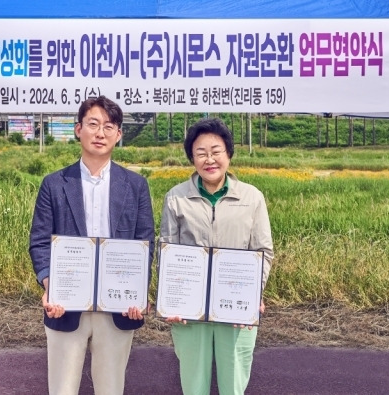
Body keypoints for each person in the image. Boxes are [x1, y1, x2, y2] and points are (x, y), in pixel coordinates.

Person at [29, 96, 155, 395]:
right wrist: (50, 284)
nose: (100, 133)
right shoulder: (54, 183)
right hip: (65, 304)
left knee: (111, 388)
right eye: (93, 124)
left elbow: (144, 243)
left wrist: (139, 291)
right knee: (62, 389)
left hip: (117, 307)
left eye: (108, 126)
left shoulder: (135, 185)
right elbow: (39, 241)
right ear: (78, 129)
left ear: (118, 135)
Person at [159, 118, 274, 395]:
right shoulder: (176, 198)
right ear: (192, 158)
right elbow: (167, 251)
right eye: (200, 153)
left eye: (216, 151)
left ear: (228, 154)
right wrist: (171, 299)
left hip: (236, 309)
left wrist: (251, 295)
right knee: (193, 384)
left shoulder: (252, 197)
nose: (209, 159)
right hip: (190, 312)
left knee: (233, 384)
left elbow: (263, 251)